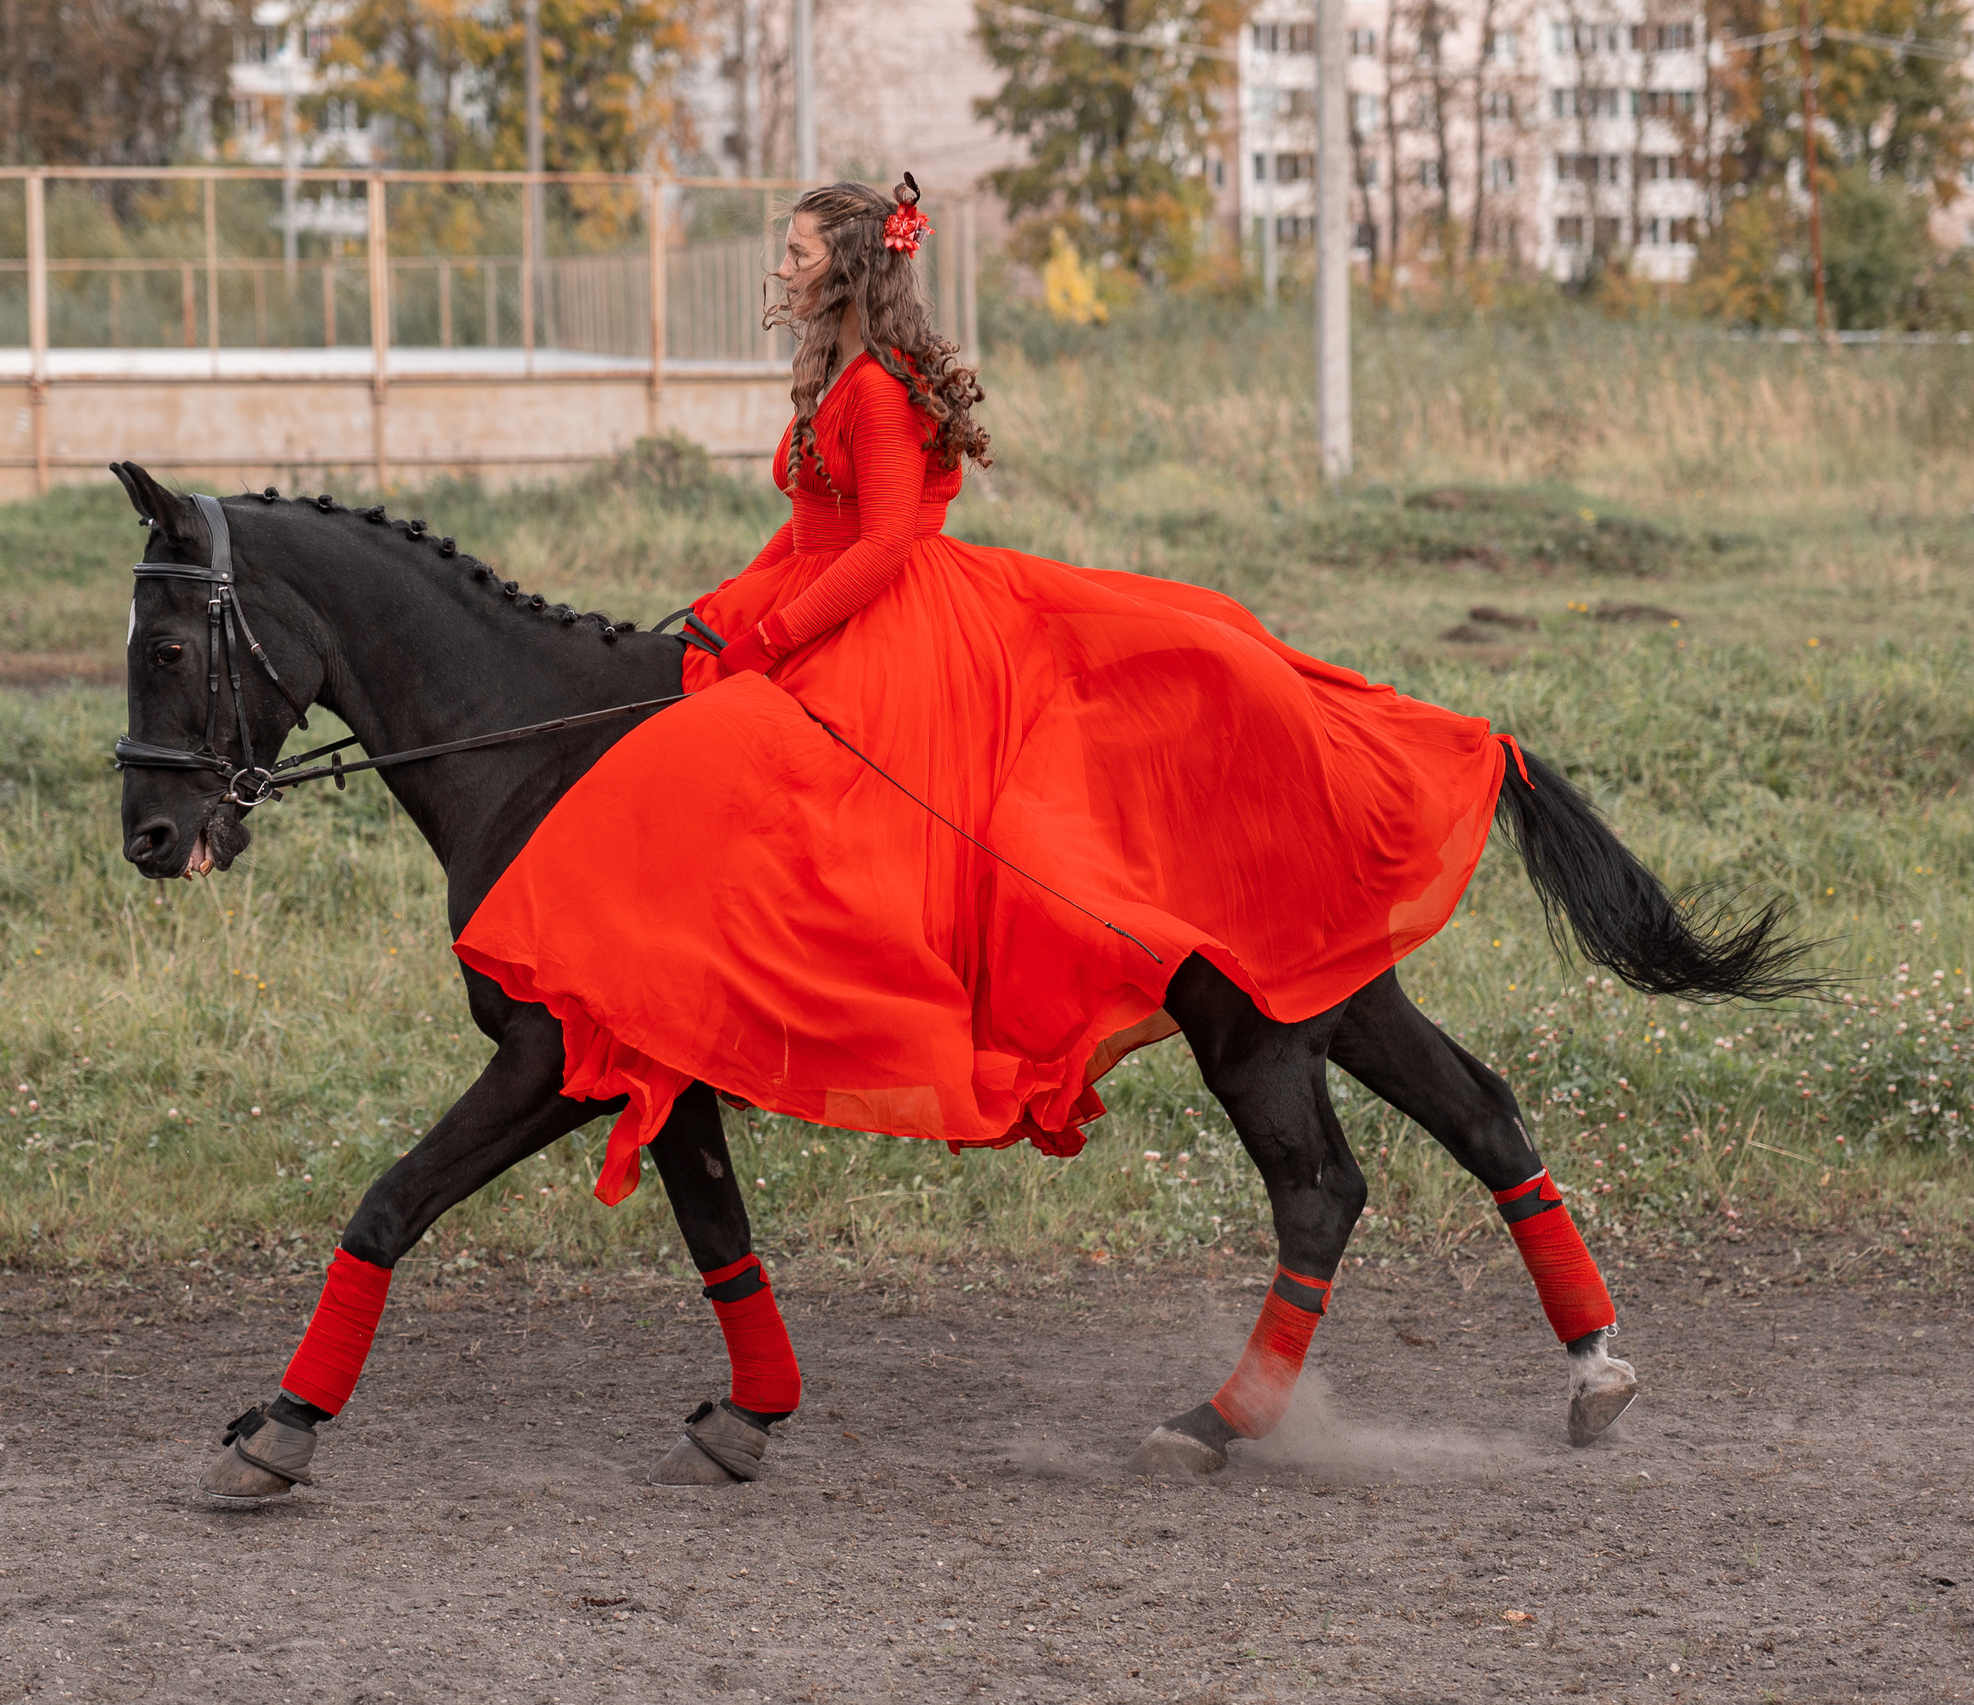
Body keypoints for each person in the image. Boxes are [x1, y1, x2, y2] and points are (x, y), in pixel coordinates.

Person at [454, 176, 1510, 1204]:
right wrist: (735, 608)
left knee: (800, 804)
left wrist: (773, 636)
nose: (781, 266)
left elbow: (881, 547)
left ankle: (796, 1004)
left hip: (889, 628)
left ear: (848, 269)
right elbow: (815, 525)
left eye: (797, 252)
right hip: (820, 600)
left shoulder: (878, 391)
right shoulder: (840, 372)